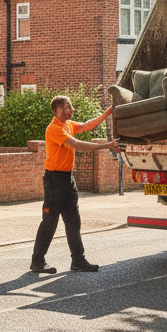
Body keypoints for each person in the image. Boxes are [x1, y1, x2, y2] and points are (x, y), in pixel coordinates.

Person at [31, 95, 123, 274]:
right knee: (50, 222)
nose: (71, 110)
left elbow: (89, 125)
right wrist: (107, 146)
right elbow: (75, 144)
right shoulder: (54, 129)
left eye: (71, 107)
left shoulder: (68, 124)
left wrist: (109, 111)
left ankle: (78, 261)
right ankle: (37, 262)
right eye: (67, 107)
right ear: (58, 110)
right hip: (54, 181)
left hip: (67, 180)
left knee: (74, 222)